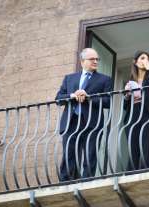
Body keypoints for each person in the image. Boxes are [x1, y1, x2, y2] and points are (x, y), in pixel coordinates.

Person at [55, 48, 112, 181]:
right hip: (71, 121)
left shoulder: (104, 79)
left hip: (92, 123)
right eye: (92, 59)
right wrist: (73, 95)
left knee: (89, 154)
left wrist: (88, 97)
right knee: (69, 154)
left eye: (97, 59)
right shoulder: (69, 78)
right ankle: (66, 183)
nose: (96, 61)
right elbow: (58, 98)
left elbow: (108, 101)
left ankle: (86, 183)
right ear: (82, 61)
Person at [124, 50, 149, 170]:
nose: (144, 60)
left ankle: (144, 171)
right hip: (133, 114)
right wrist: (126, 95)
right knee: (133, 145)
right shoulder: (130, 81)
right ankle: (131, 173)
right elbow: (125, 106)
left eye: (146, 59)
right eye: (142, 58)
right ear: (135, 62)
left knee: (146, 143)